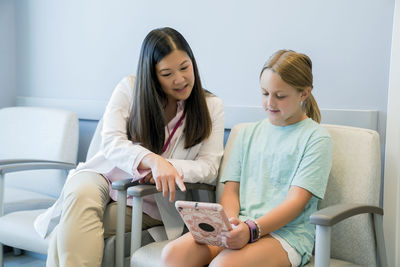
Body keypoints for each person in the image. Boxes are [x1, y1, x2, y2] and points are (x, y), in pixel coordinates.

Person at [33, 27, 224, 266]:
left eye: (185, 67)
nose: (180, 79)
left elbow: (209, 167)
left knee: (71, 226)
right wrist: (154, 161)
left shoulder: (211, 106)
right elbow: (112, 142)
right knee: (80, 194)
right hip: (102, 175)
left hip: (146, 198)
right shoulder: (129, 88)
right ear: (152, 76)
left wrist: (167, 168)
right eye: (167, 73)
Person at [162, 49, 333, 267]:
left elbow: (295, 203)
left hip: (286, 235)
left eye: (280, 96)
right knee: (172, 254)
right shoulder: (247, 133)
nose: (270, 103)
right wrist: (230, 224)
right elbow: (231, 192)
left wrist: (252, 230)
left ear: (304, 94)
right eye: (264, 93)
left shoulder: (316, 138)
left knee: (224, 265)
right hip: (241, 226)